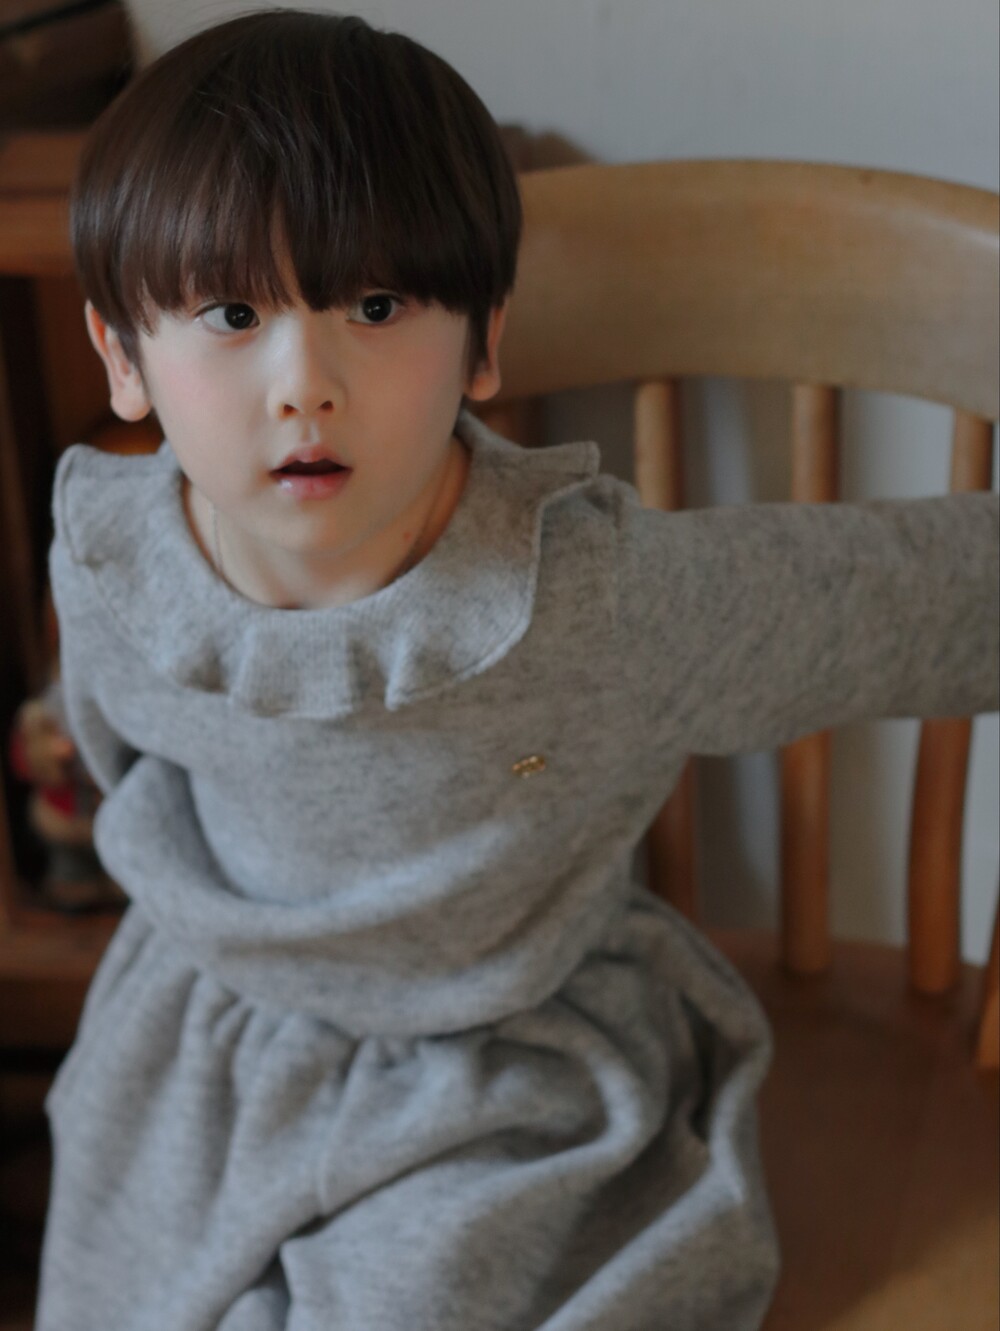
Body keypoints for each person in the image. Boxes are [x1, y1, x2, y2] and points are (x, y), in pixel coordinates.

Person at [36, 10, 998, 1331]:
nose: (303, 382)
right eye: (233, 312)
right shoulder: (108, 561)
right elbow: (119, 754)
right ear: (123, 358)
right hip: (213, 1040)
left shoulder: (588, 599)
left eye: (376, 306)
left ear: (483, 343)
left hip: (499, 1065)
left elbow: (907, 599)